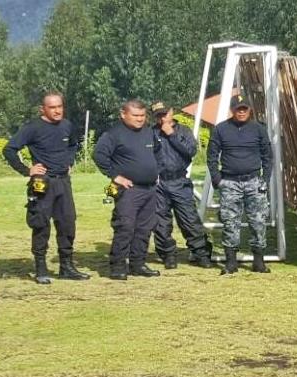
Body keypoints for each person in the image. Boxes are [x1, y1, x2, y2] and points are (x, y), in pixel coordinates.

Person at [3, 91, 90, 284]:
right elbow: (9, 149)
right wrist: (27, 170)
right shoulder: (32, 128)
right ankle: (41, 268)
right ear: (43, 109)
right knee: (41, 225)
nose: (57, 111)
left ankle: (66, 267)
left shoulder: (67, 125)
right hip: (42, 182)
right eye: (52, 107)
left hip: (63, 182)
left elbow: (74, 145)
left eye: (60, 106)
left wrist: (69, 161)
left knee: (68, 224)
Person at [93, 100, 161, 280]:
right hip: (128, 190)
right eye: (136, 116)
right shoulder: (114, 134)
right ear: (123, 114)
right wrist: (115, 176)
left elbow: (157, 152)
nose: (140, 119)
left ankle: (138, 264)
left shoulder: (148, 132)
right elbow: (99, 155)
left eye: (143, 116)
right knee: (125, 227)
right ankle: (117, 266)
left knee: (145, 228)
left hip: (150, 189)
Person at [207, 95, 272, 275]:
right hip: (230, 182)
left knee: (258, 222)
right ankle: (231, 263)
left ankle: (259, 262)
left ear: (249, 110)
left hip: (254, 181)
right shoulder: (221, 129)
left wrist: (265, 179)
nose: (241, 112)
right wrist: (217, 180)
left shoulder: (259, 129)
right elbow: (211, 156)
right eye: (238, 109)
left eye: (244, 109)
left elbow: (268, 156)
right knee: (230, 223)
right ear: (232, 110)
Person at [149, 101, 213, 269]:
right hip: (159, 183)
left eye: (164, 114)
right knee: (160, 222)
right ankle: (168, 255)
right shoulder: (150, 133)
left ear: (171, 112)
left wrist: (171, 134)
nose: (162, 118)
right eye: (158, 115)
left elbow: (190, 151)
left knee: (189, 219)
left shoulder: (183, 131)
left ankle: (201, 253)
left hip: (179, 181)